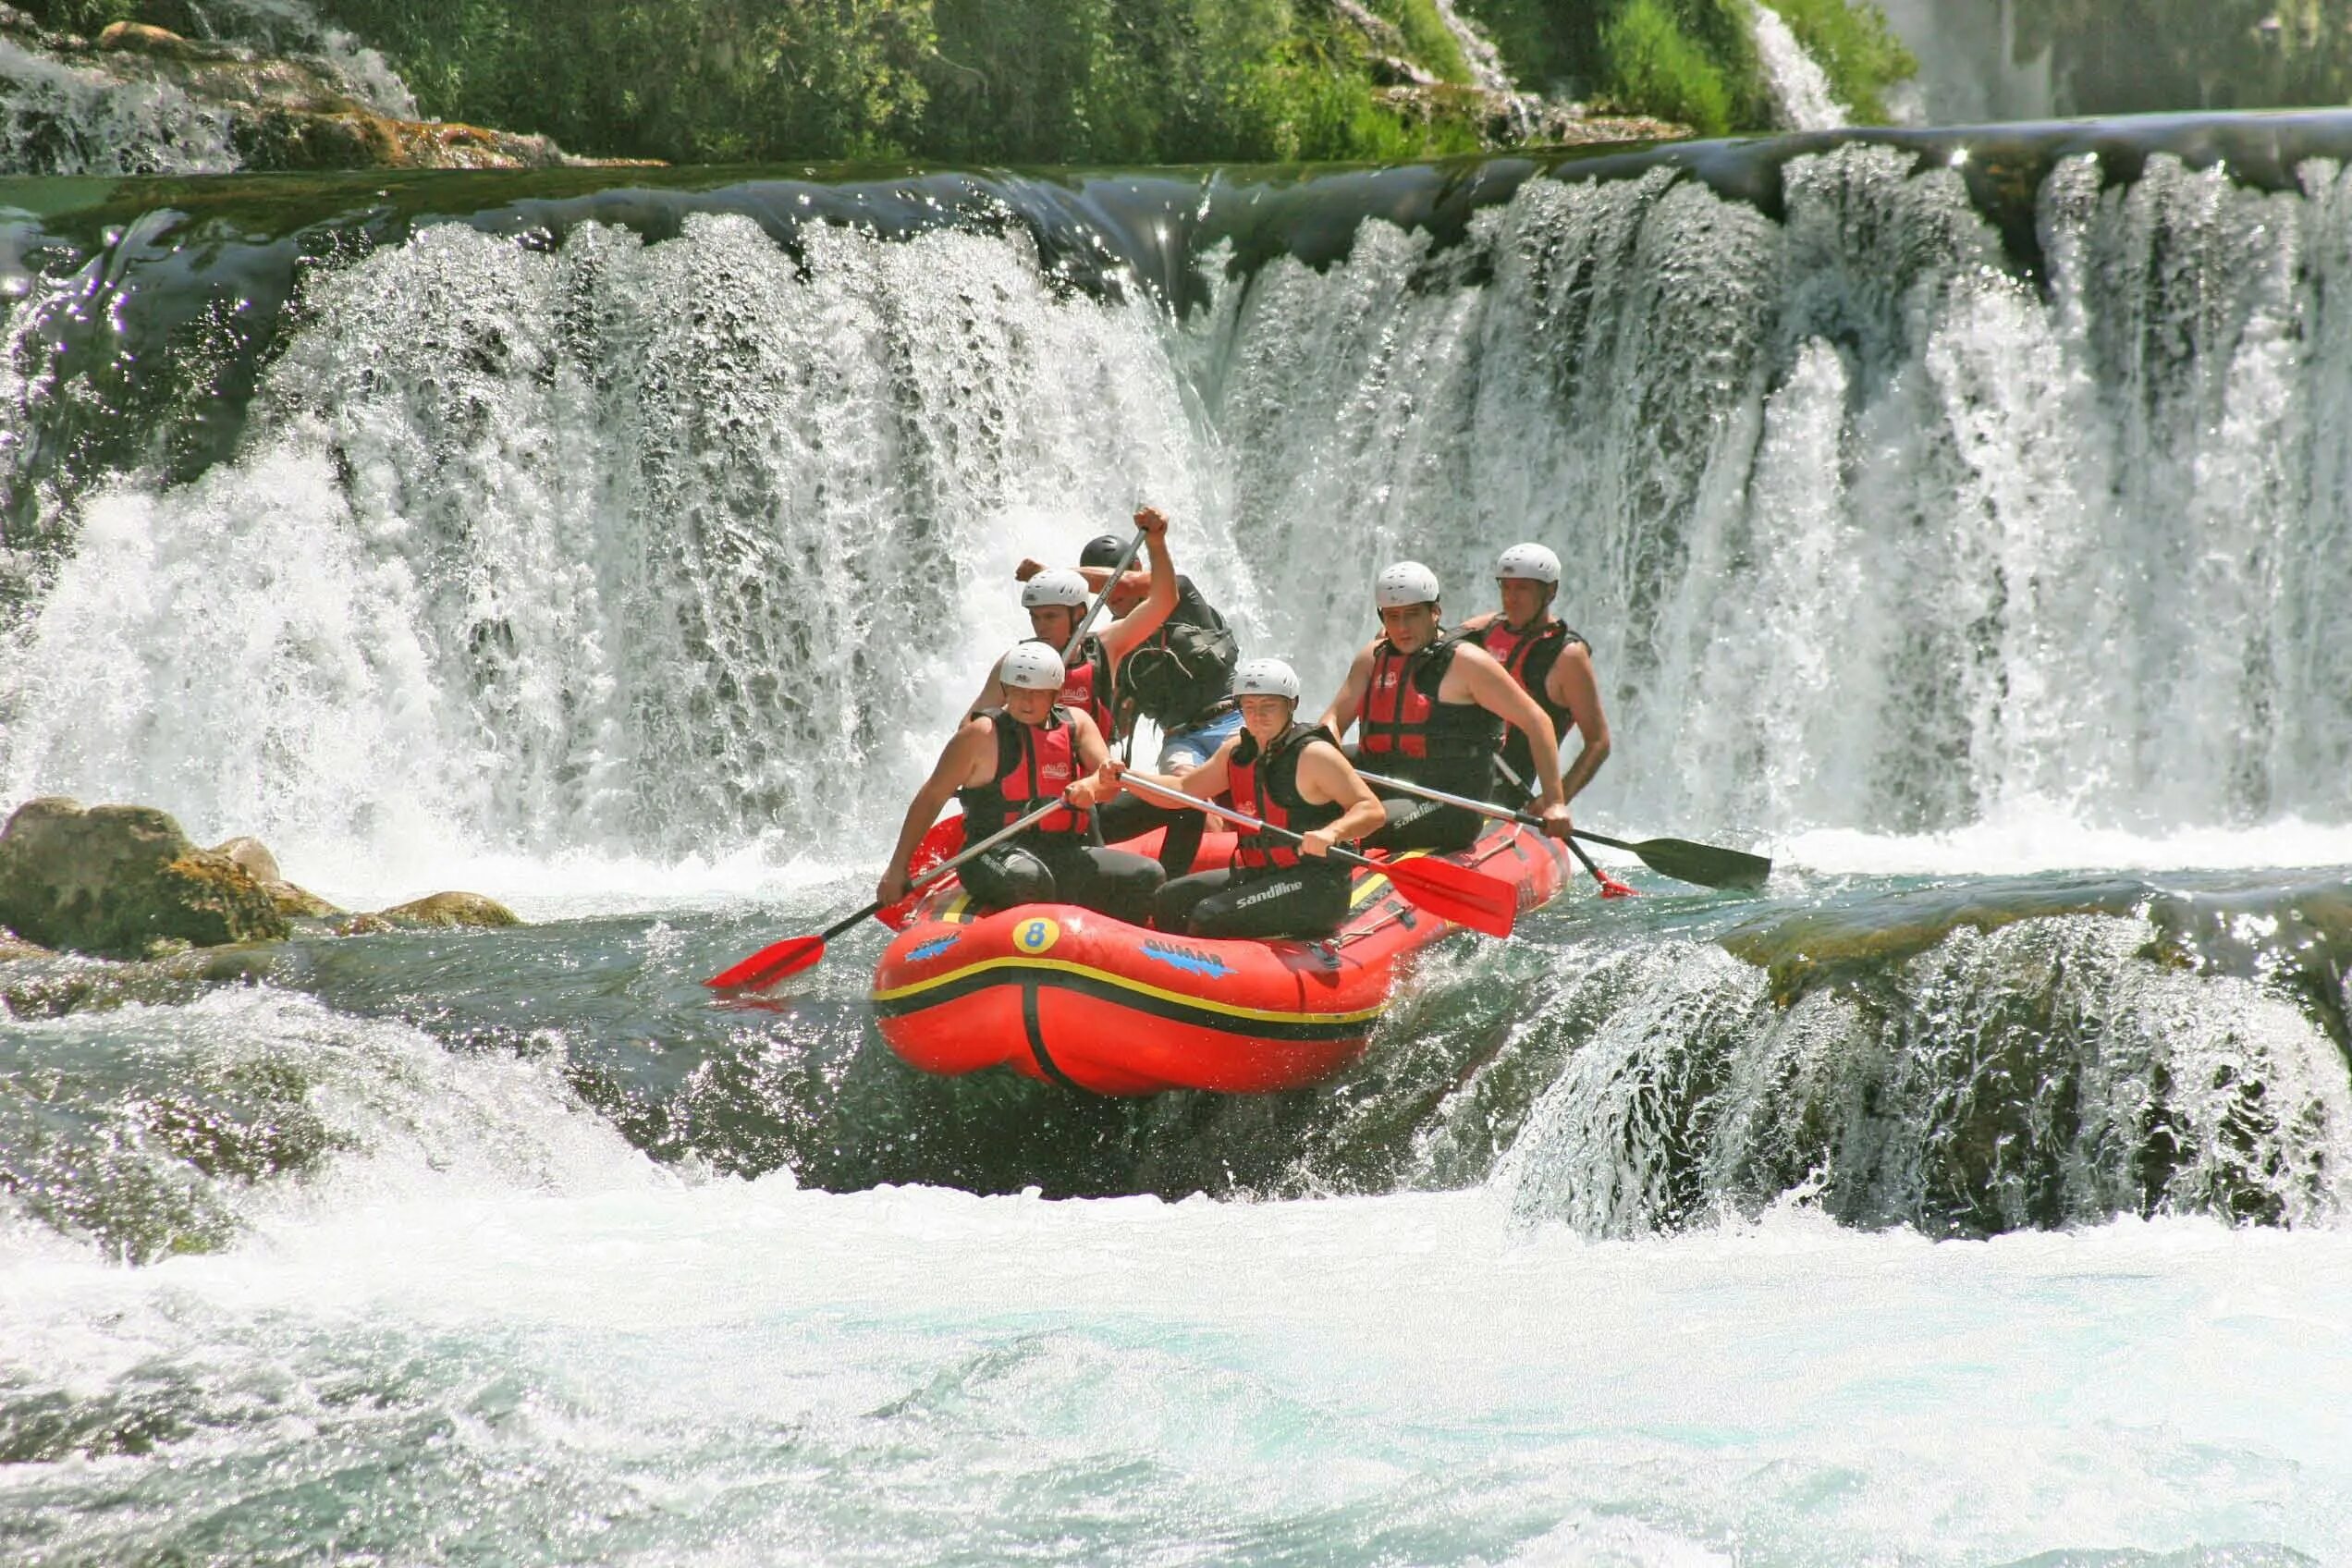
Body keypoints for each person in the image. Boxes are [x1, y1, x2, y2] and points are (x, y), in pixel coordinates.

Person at [1104, 657, 1387, 941]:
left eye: (1268, 706)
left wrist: (1332, 832)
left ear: (1292, 704)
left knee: (1208, 914)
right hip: (1263, 874)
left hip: (1315, 884)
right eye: (1249, 707)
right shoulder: (1237, 752)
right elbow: (1182, 789)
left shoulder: (1314, 755)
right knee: (1169, 900)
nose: (1258, 716)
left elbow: (1372, 810)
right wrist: (1125, 777)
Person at [883, 641, 1162, 925]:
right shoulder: (980, 735)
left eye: (1036, 693)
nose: (1025, 702)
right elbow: (932, 797)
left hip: (1060, 849)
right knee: (1029, 879)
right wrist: (897, 869)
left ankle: (1108, 948)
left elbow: (1108, 779)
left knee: (1146, 875)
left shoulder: (1077, 724)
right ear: (1006, 690)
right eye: (1017, 691)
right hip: (990, 852)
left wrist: (1091, 786)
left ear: (1054, 693)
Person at [1317, 560, 1575, 853]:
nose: (1402, 628)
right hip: (1387, 778)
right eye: (1393, 617)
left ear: (1435, 611)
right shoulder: (1373, 658)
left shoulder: (1467, 663)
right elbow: (1333, 722)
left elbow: (1537, 721)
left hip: (1446, 801)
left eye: (1412, 615)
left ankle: (1335, 858)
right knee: (1309, 781)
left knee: (1355, 822)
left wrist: (1555, 803)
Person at [971, 507, 1178, 738]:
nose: (1041, 626)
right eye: (1035, 617)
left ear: (1079, 614)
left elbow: (1164, 600)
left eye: (1051, 616)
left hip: (1093, 771)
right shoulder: (1014, 662)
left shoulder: (1106, 646)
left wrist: (1156, 542)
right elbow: (970, 725)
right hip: (1037, 769)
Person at [1455, 543, 1611, 805]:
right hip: (1453, 771)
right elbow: (1433, 641)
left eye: (1523, 589)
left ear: (1550, 591)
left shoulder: (1568, 655)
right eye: (1506, 587)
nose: (1511, 598)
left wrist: (1556, 800)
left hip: (1501, 793)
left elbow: (1598, 742)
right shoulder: (1489, 626)